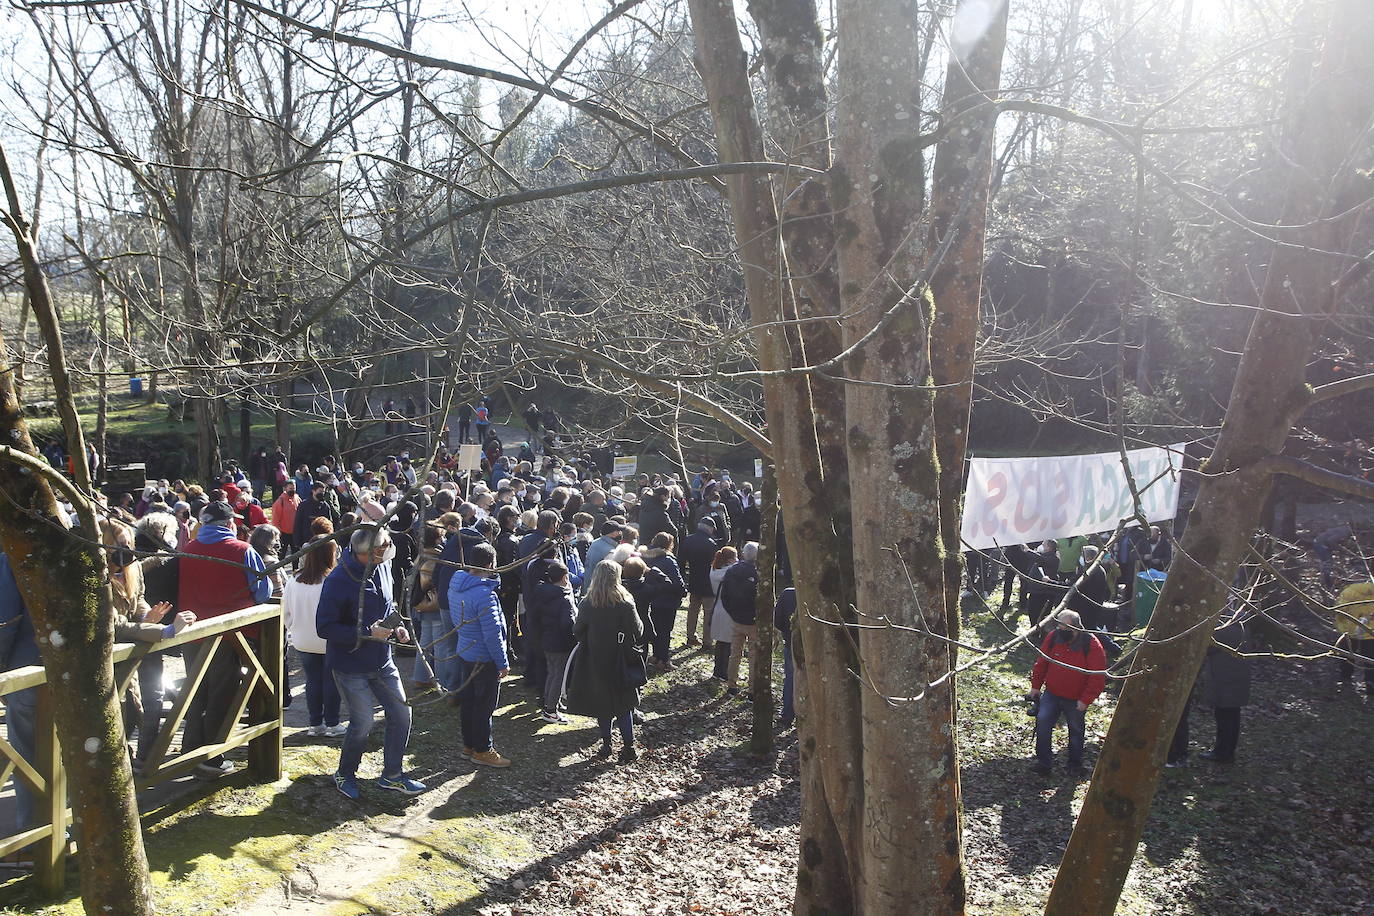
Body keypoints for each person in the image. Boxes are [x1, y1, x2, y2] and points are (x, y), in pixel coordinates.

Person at [316, 526, 426, 799]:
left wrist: (395, 626)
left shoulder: (383, 567)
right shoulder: (339, 580)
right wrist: (366, 633)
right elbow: (325, 627)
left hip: (383, 660)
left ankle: (392, 775)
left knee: (402, 714)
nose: (389, 549)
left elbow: (387, 604)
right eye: (383, 547)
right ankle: (345, 773)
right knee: (363, 722)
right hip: (351, 664)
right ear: (367, 553)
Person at [178, 501, 272, 777]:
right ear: (229, 523)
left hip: (192, 634)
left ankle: (190, 749)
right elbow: (262, 592)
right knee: (223, 694)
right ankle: (212, 756)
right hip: (230, 637)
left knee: (196, 691)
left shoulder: (187, 550)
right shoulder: (243, 550)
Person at [565, 560, 642, 763]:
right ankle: (628, 747)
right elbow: (638, 630)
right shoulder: (626, 603)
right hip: (620, 658)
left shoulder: (587, 602)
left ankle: (606, 744)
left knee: (602, 704)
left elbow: (577, 630)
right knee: (623, 704)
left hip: (594, 658)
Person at [449, 542, 512, 768]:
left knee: (468, 701)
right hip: (483, 657)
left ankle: (469, 745)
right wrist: (502, 662)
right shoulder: (484, 595)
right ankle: (483, 749)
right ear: (490, 564)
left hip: (465, 650)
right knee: (484, 706)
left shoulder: (456, 584)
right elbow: (492, 633)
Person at [1029, 609, 1106, 776]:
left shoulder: (1091, 645)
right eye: (1059, 626)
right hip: (1052, 693)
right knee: (1042, 723)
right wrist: (1036, 687)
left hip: (1076, 699)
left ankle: (1074, 765)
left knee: (1076, 731)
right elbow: (1042, 662)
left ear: (1076, 628)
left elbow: (1097, 677)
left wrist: (1085, 700)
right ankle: (1044, 762)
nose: (1060, 631)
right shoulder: (1053, 638)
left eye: (1064, 628)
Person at [283, 528, 344, 737]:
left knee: (313, 681)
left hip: (303, 639)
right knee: (330, 681)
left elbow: (286, 612)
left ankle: (315, 723)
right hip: (328, 639)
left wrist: (295, 628)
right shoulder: (333, 580)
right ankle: (333, 723)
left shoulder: (294, 580)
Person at [0, 552, 39, 852]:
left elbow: (6, 622)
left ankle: (34, 838)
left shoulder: (10, 560)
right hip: (62, 669)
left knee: (26, 754)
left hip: (26, 670)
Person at [1199, 615, 1252, 763]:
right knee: (1233, 717)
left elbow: (1206, 647)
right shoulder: (1243, 628)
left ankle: (1222, 752)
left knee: (1224, 718)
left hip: (1225, 681)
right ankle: (1227, 751)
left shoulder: (1223, 632)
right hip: (1237, 680)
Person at [529, 559, 577, 723]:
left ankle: (549, 703)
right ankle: (551, 710)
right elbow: (568, 624)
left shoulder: (542, 593)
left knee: (551, 673)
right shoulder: (564, 599)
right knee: (558, 676)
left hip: (546, 640)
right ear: (565, 577)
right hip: (560, 643)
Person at [718, 541, 760, 698]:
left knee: (735, 653)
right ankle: (752, 689)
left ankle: (732, 685)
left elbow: (725, 595)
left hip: (736, 618)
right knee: (753, 655)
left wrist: (732, 612)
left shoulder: (732, 571)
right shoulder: (758, 573)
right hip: (752, 620)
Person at [641, 533, 688, 670]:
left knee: (655, 629)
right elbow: (677, 582)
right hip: (667, 600)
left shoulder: (645, 557)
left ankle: (655, 656)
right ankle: (664, 660)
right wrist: (683, 592)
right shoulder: (669, 560)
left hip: (651, 598)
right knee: (665, 631)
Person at [680, 517, 722, 648]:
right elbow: (716, 564)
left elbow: (681, 560)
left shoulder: (688, 540)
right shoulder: (711, 543)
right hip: (708, 582)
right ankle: (707, 641)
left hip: (693, 579)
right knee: (708, 611)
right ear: (709, 528)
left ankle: (690, 636)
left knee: (693, 609)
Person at [1334, 578, 1374, 694]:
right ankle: (1370, 683)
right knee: (1371, 657)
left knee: (1348, 652)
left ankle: (1345, 678)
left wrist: (1343, 629)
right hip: (1372, 633)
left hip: (1351, 630)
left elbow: (1340, 611)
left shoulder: (1350, 591)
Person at [709, 546, 740, 683]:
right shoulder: (730, 572)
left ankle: (717, 670)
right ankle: (725, 672)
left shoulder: (714, 570)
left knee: (720, 643)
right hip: (728, 608)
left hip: (717, 607)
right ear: (729, 560)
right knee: (728, 643)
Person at [271, 482, 300, 552]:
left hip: (295, 532)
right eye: (290, 488)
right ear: (285, 489)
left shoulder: (297, 498)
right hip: (283, 533)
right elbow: (275, 519)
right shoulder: (280, 501)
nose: (292, 490)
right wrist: (277, 533)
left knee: (296, 554)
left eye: (294, 488)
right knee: (281, 554)